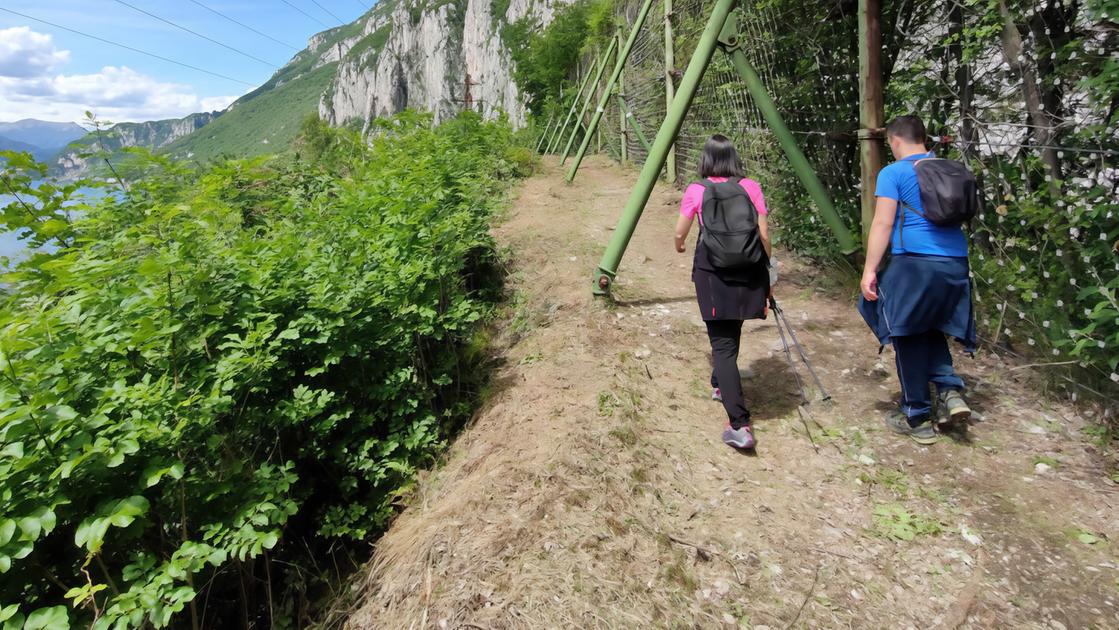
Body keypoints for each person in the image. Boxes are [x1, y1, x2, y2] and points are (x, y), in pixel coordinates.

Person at [858, 115, 975, 445]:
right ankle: (950, 392)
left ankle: (917, 416)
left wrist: (869, 270)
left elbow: (882, 224)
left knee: (905, 333)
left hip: (915, 265)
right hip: (955, 263)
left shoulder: (893, 172)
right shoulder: (950, 168)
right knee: (931, 327)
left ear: (895, 141)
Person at [675, 135, 772, 450]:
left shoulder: (696, 190)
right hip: (749, 270)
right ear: (733, 158)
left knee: (722, 345)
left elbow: (681, 231)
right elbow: (764, 236)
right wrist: (767, 273)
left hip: (712, 272)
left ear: (705, 159)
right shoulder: (751, 187)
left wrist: (678, 244)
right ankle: (720, 383)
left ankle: (740, 426)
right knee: (732, 331)